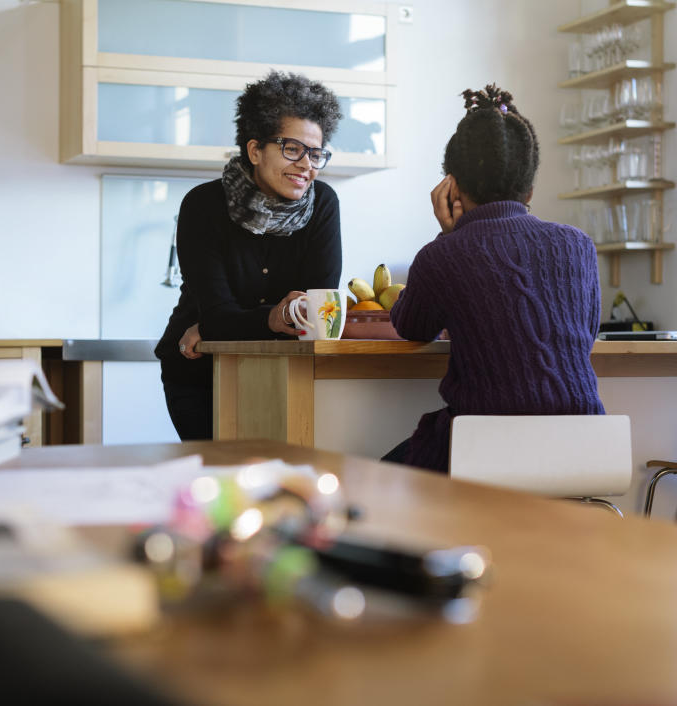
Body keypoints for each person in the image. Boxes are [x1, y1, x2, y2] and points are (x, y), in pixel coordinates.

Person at [384, 84, 605, 473]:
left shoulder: (443, 255)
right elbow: (585, 334)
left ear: (450, 185)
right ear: (531, 186)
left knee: (378, 480)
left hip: (486, 453)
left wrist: (446, 235)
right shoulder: (578, 244)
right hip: (584, 448)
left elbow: (410, 326)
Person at [155, 71, 344, 441]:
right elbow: (219, 315)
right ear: (255, 150)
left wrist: (218, 328)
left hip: (283, 373)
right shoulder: (203, 205)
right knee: (220, 483)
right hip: (199, 373)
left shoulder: (323, 204)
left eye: (316, 153)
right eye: (293, 149)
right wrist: (266, 318)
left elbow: (314, 315)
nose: (307, 164)